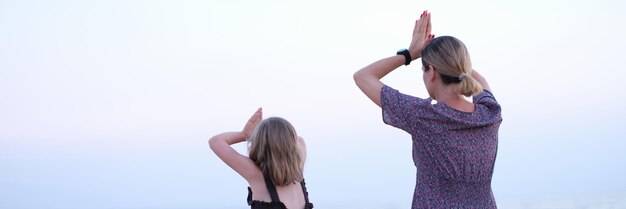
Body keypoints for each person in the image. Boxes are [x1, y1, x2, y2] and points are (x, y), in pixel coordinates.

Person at [353, 11, 502, 208]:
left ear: (431, 71)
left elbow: (363, 76)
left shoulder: (423, 117)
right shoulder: (490, 114)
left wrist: (410, 53)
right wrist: (452, 60)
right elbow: (481, 81)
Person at [209, 108, 314, 209]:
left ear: (260, 144)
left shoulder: (256, 174)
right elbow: (299, 140)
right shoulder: (298, 167)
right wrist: (284, 133)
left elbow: (215, 141)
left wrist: (244, 134)